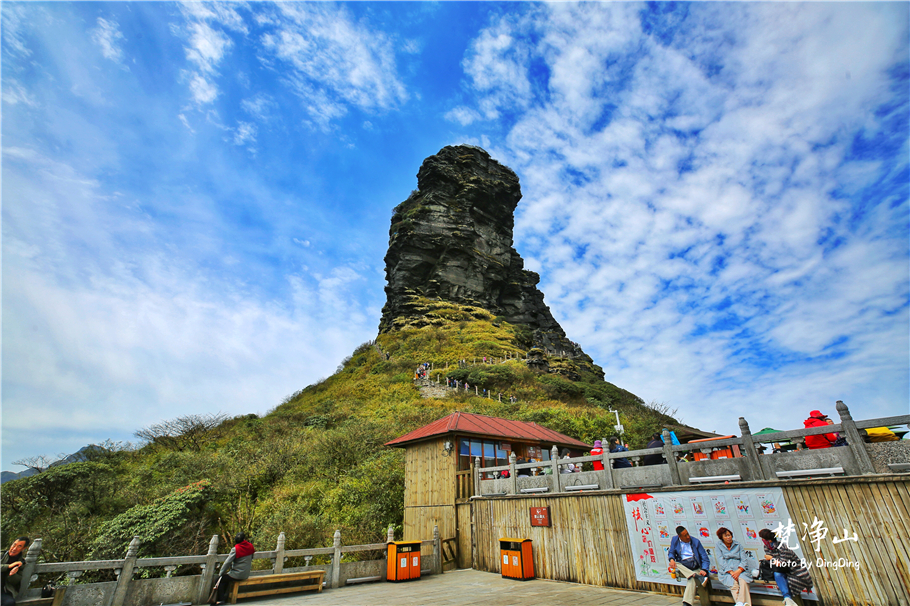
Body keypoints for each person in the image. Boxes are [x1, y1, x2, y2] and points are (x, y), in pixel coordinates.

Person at [758, 528, 812, 606]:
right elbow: (773, 563)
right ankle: (788, 599)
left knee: (779, 575)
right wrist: (771, 560)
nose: (762, 540)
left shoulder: (782, 545)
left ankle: (788, 599)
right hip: (781, 570)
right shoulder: (767, 547)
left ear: (768, 540)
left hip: (794, 570)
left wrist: (771, 558)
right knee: (777, 574)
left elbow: (783, 563)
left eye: (763, 538)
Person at [667, 526, 710, 606]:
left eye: (688, 534)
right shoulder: (675, 540)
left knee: (692, 579)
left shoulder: (695, 542)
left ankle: (686, 604)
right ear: (679, 536)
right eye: (685, 535)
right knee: (676, 563)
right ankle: (695, 576)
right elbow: (671, 552)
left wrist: (704, 569)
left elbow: (705, 558)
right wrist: (671, 559)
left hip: (695, 567)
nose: (688, 537)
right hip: (683, 566)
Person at [213, 532, 255, 605]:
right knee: (225, 579)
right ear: (244, 539)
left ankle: (221, 600)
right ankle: (224, 598)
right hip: (246, 574)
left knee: (219, 580)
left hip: (237, 574)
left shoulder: (236, 549)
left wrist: (221, 573)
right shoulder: (250, 546)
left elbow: (227, 562)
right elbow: (252, 557)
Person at [715, 527, 752, 606]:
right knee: (733, 584)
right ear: (721, 537)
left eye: (729, 535)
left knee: (743, 581)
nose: (728, 537)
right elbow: (720, 560)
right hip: (727, 571)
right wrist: (731, 572)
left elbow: (744, 559)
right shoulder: (718, 545)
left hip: (740, 569)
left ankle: (739, 603)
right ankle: (744, 604)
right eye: (726, 536)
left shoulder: (738, 545)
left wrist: (739, 570)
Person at [1, 537, 29, 606]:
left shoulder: (21, 563)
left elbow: (15, 581)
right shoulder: (1, 555)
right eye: (14, 545)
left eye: (19, 546)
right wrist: (9, 566)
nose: (14, 548)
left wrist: (12, 575)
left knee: (9, 603)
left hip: (3, 592)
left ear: (23, 548)